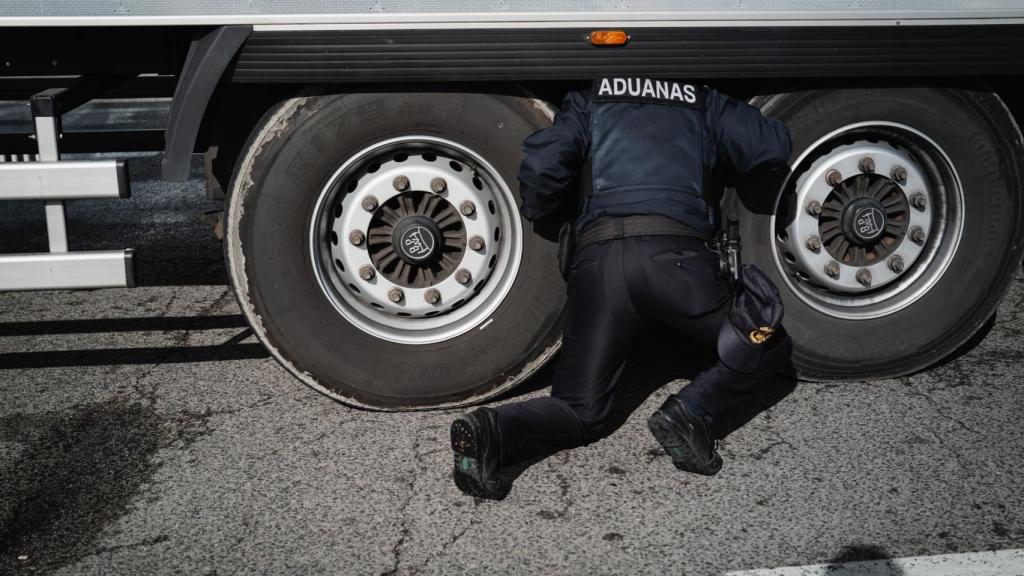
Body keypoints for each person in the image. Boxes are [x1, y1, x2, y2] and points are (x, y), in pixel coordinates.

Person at [449, 77, 794, 499]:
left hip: (599, 267)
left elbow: (542, 167)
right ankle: (691, 411)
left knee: (579, 411)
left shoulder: (588, 100)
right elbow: (770, 148)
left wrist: (546, 210)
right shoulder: (702, 100)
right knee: (766, 342)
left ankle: (492, 430)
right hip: (678, 264)